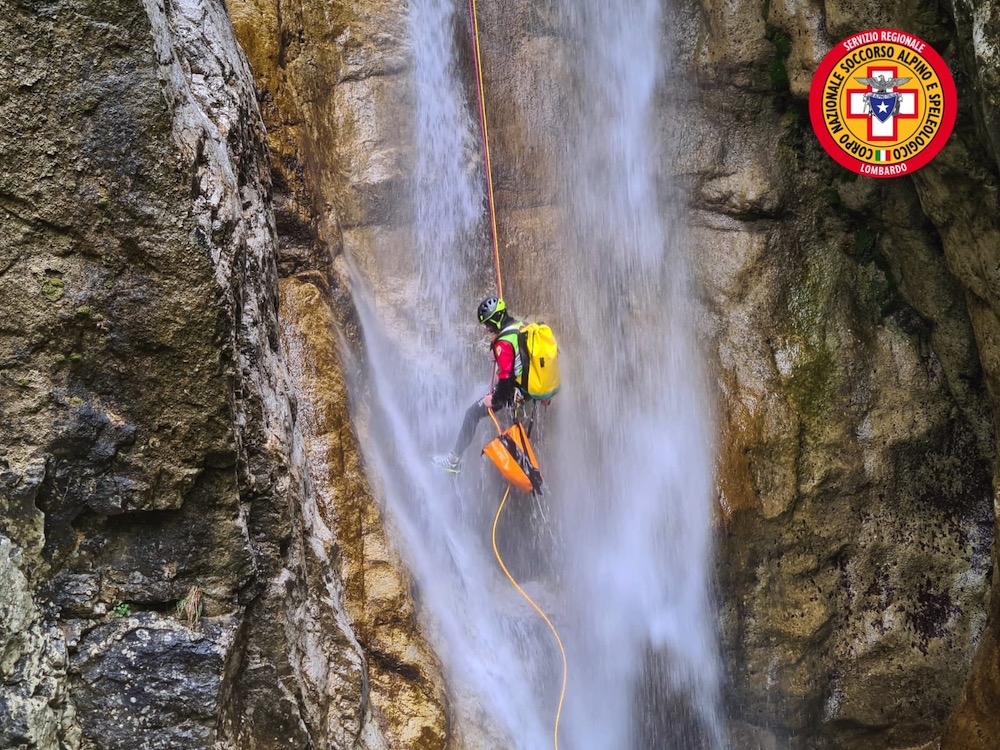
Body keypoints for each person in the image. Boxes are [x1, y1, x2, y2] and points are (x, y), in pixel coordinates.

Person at [432, 296, 525, 473]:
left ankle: (453, 460)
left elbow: (505, 378)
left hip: (513, 392)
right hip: (527, 387)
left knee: (472, 414)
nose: (487, 328)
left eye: (488, 324)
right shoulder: (520, 326)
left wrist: (495, 399)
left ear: (497, 318)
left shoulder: (503, 342)